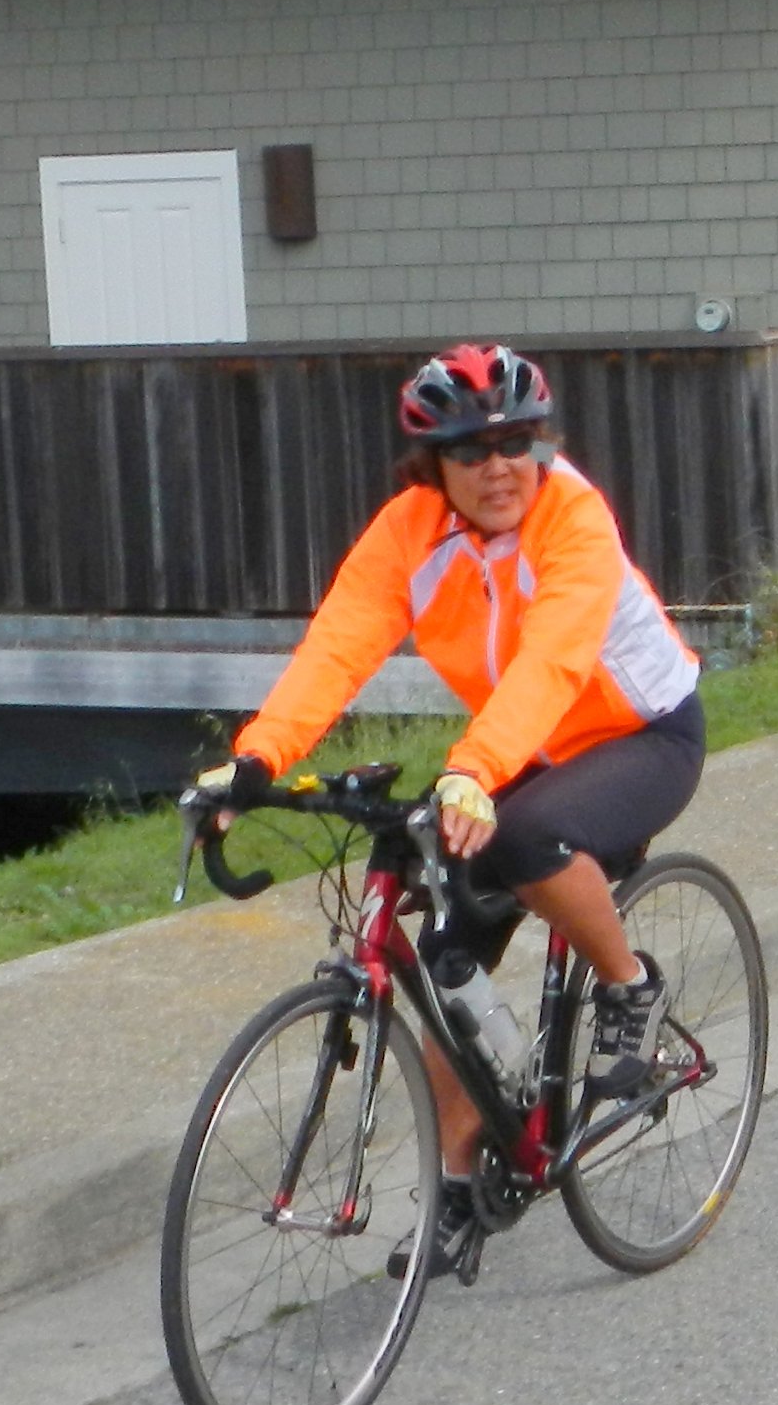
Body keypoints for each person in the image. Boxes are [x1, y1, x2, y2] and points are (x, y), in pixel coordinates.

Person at [214, 345, 705, 1214]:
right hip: (525, 749)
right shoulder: (409, 532)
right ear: (434, 466)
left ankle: (629, 986)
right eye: (471, 452)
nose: (498, 467)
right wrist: (258, 760)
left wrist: (473, 769)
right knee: (448, 951)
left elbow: (554, 659)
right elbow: (337, 649)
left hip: (642, 734)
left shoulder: (573, 517)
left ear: (540, 445)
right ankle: (456, 1184)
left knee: (528, 838)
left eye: (516, 443)